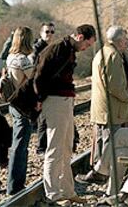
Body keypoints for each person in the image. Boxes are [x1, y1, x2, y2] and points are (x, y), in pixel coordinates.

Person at [34, 24, 96, 205]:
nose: (87, 48)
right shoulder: (58, 48)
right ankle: (53, 194)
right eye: (87, 44)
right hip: (55, 101)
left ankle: (67, 190)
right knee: (55, 148)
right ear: (79, 37)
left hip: (64, 100)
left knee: (67, 147)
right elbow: (40, 72)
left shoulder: (68, 50)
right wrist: (39, 97)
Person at [90, 26, 128, 165]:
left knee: (101, 141)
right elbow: (115, 86)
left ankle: (98, 171)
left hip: (102, 110)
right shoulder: (114, 55)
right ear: (120, 40)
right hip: (112, 110)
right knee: (109, 143)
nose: (127, 43)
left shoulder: (101, 53)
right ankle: (104, 173)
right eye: (125, 40)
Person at [5, 26, 35, 195]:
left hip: (14, 104)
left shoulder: (10, 57)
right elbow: (33, 80)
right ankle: (15, 185)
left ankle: (15, 184)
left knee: (19, 144)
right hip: (23, 105)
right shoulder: (23, 60)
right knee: (20, 145)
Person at [33, 22, 56, 155]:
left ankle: (44, 145)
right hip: (40, 87)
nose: (50, 34)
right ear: (41, 33)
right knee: (42, 118)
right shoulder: (37, 48)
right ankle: (41, 147)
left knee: (45, 117)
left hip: (47, 86)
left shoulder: (50, 47)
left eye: (52, 32)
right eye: (47, 32)